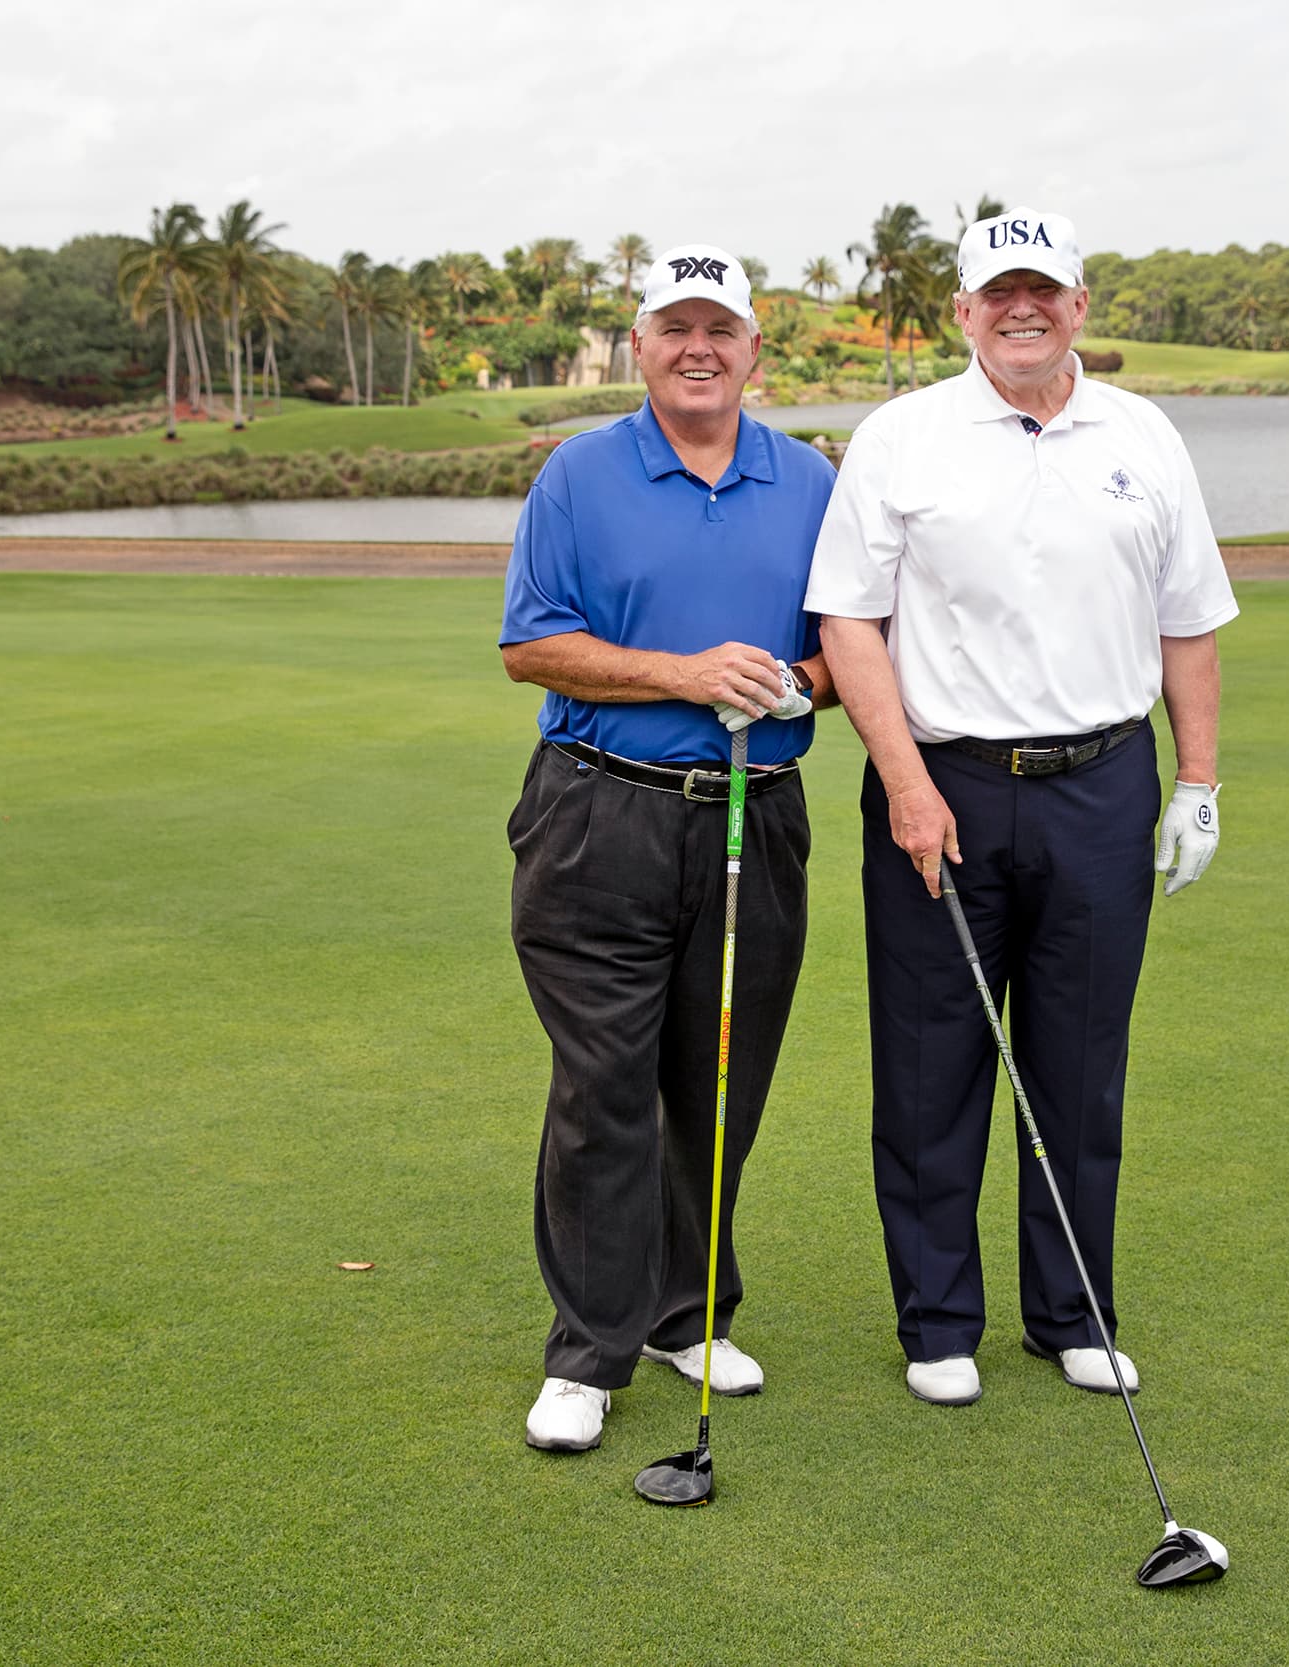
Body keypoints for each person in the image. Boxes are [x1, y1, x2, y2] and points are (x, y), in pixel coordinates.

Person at [807, 206, 1237, 1409]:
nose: (1021, 308)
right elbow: (849, 619)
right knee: (931, 1065)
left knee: (1079, 1066)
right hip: (938, 786)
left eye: (1042, 288)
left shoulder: (1143, 437)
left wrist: (1195, 782)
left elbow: (1188, 619)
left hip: (1101, 787)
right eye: (997, 291)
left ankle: (1072, 1313)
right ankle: (940, 1321)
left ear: (1079, 305)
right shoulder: (901, 437)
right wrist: (901, 782)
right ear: (963, 310)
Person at [500, 245, 837, 1453]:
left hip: (756, 811)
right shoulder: (578, 474)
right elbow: (532, 645)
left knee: (719, 1078)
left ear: (755, 349)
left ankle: (684, 1314)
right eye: (674, 327)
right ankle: (587, 1351)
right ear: (638, 345)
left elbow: (847, 654)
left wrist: (788, 680)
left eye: (721, 329)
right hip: (600, 813)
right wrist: (683, 673)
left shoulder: (809, 480)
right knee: (604, 1081)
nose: (699, 348)